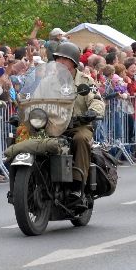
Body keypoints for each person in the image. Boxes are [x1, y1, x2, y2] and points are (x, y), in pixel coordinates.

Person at [51, 42, 105, 208]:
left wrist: (92, 112)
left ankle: (77, 187)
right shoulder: (48, 81)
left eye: (64, 60)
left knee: (81, 139)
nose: (60, 62)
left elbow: (96, 100)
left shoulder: (85, 81)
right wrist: (23, 107)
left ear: (73, 62)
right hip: (52, 125)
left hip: (77, 124)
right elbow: (33, 98)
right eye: (58, 59)